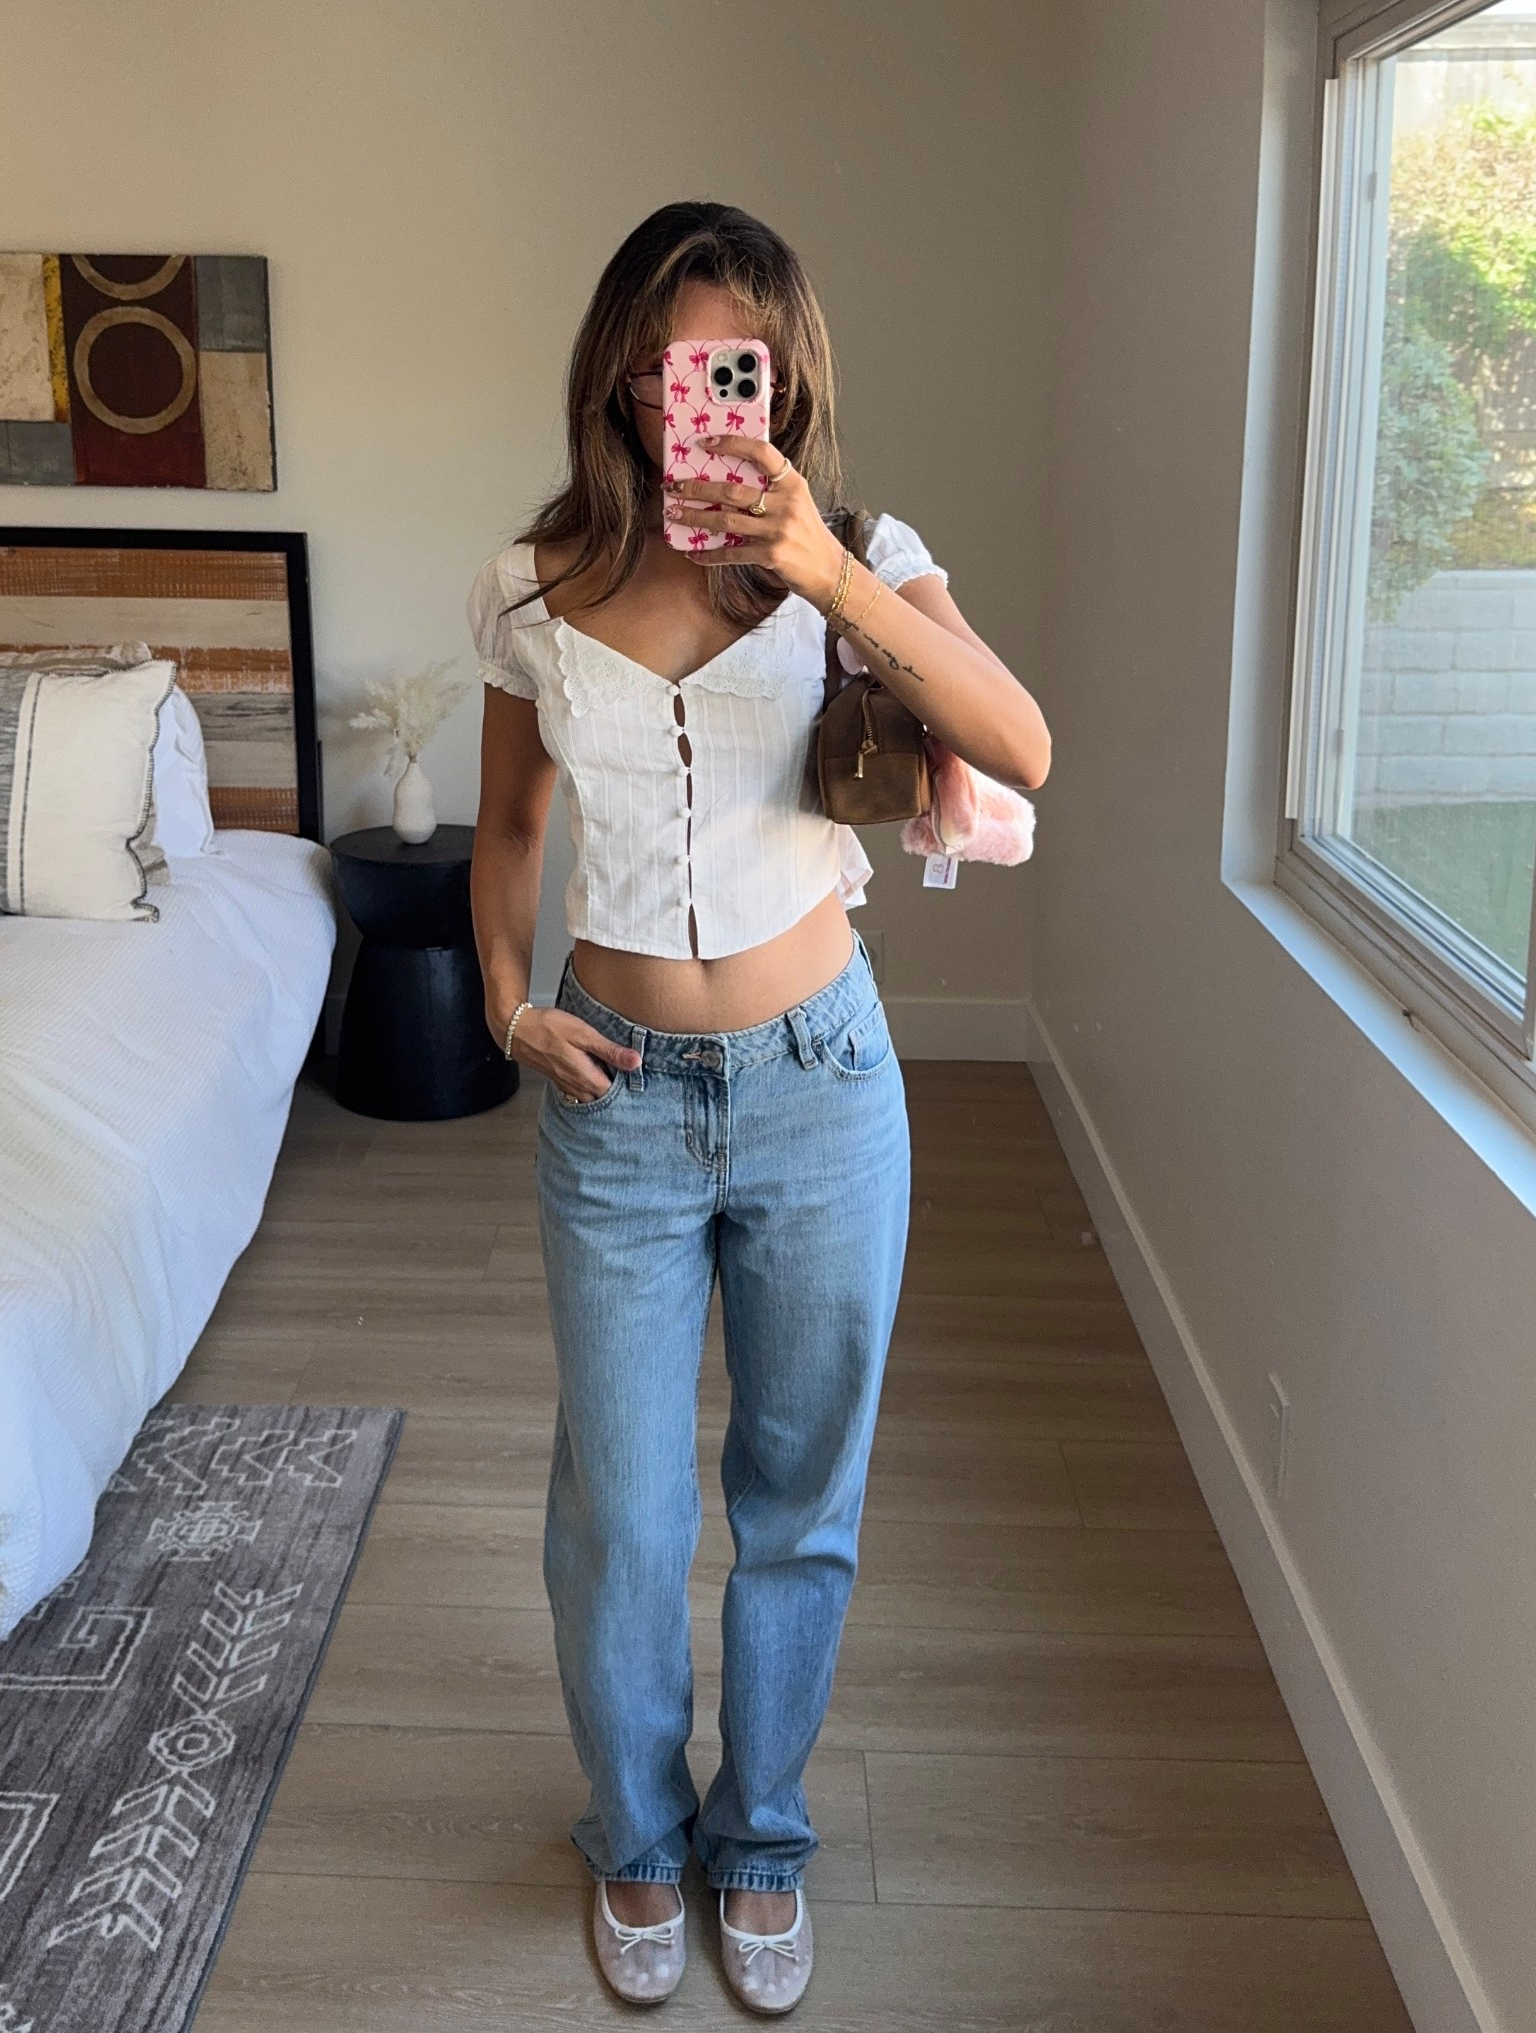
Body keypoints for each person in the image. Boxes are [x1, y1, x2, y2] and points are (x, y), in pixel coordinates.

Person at [468, 200, 1049, 2013]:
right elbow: (508, 828)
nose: (693, 401)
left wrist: (824, 573)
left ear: (785, 382)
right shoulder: (530, 582)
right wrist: (502, 1004)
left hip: (821, 1084)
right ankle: (639, 1835)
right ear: (617, 375)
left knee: (801, 1494)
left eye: (732, 368)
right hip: (616, 1093)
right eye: (665, 367)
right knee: (624, 1516)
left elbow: (1023, 745)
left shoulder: (865, 553)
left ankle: (765, 1839)